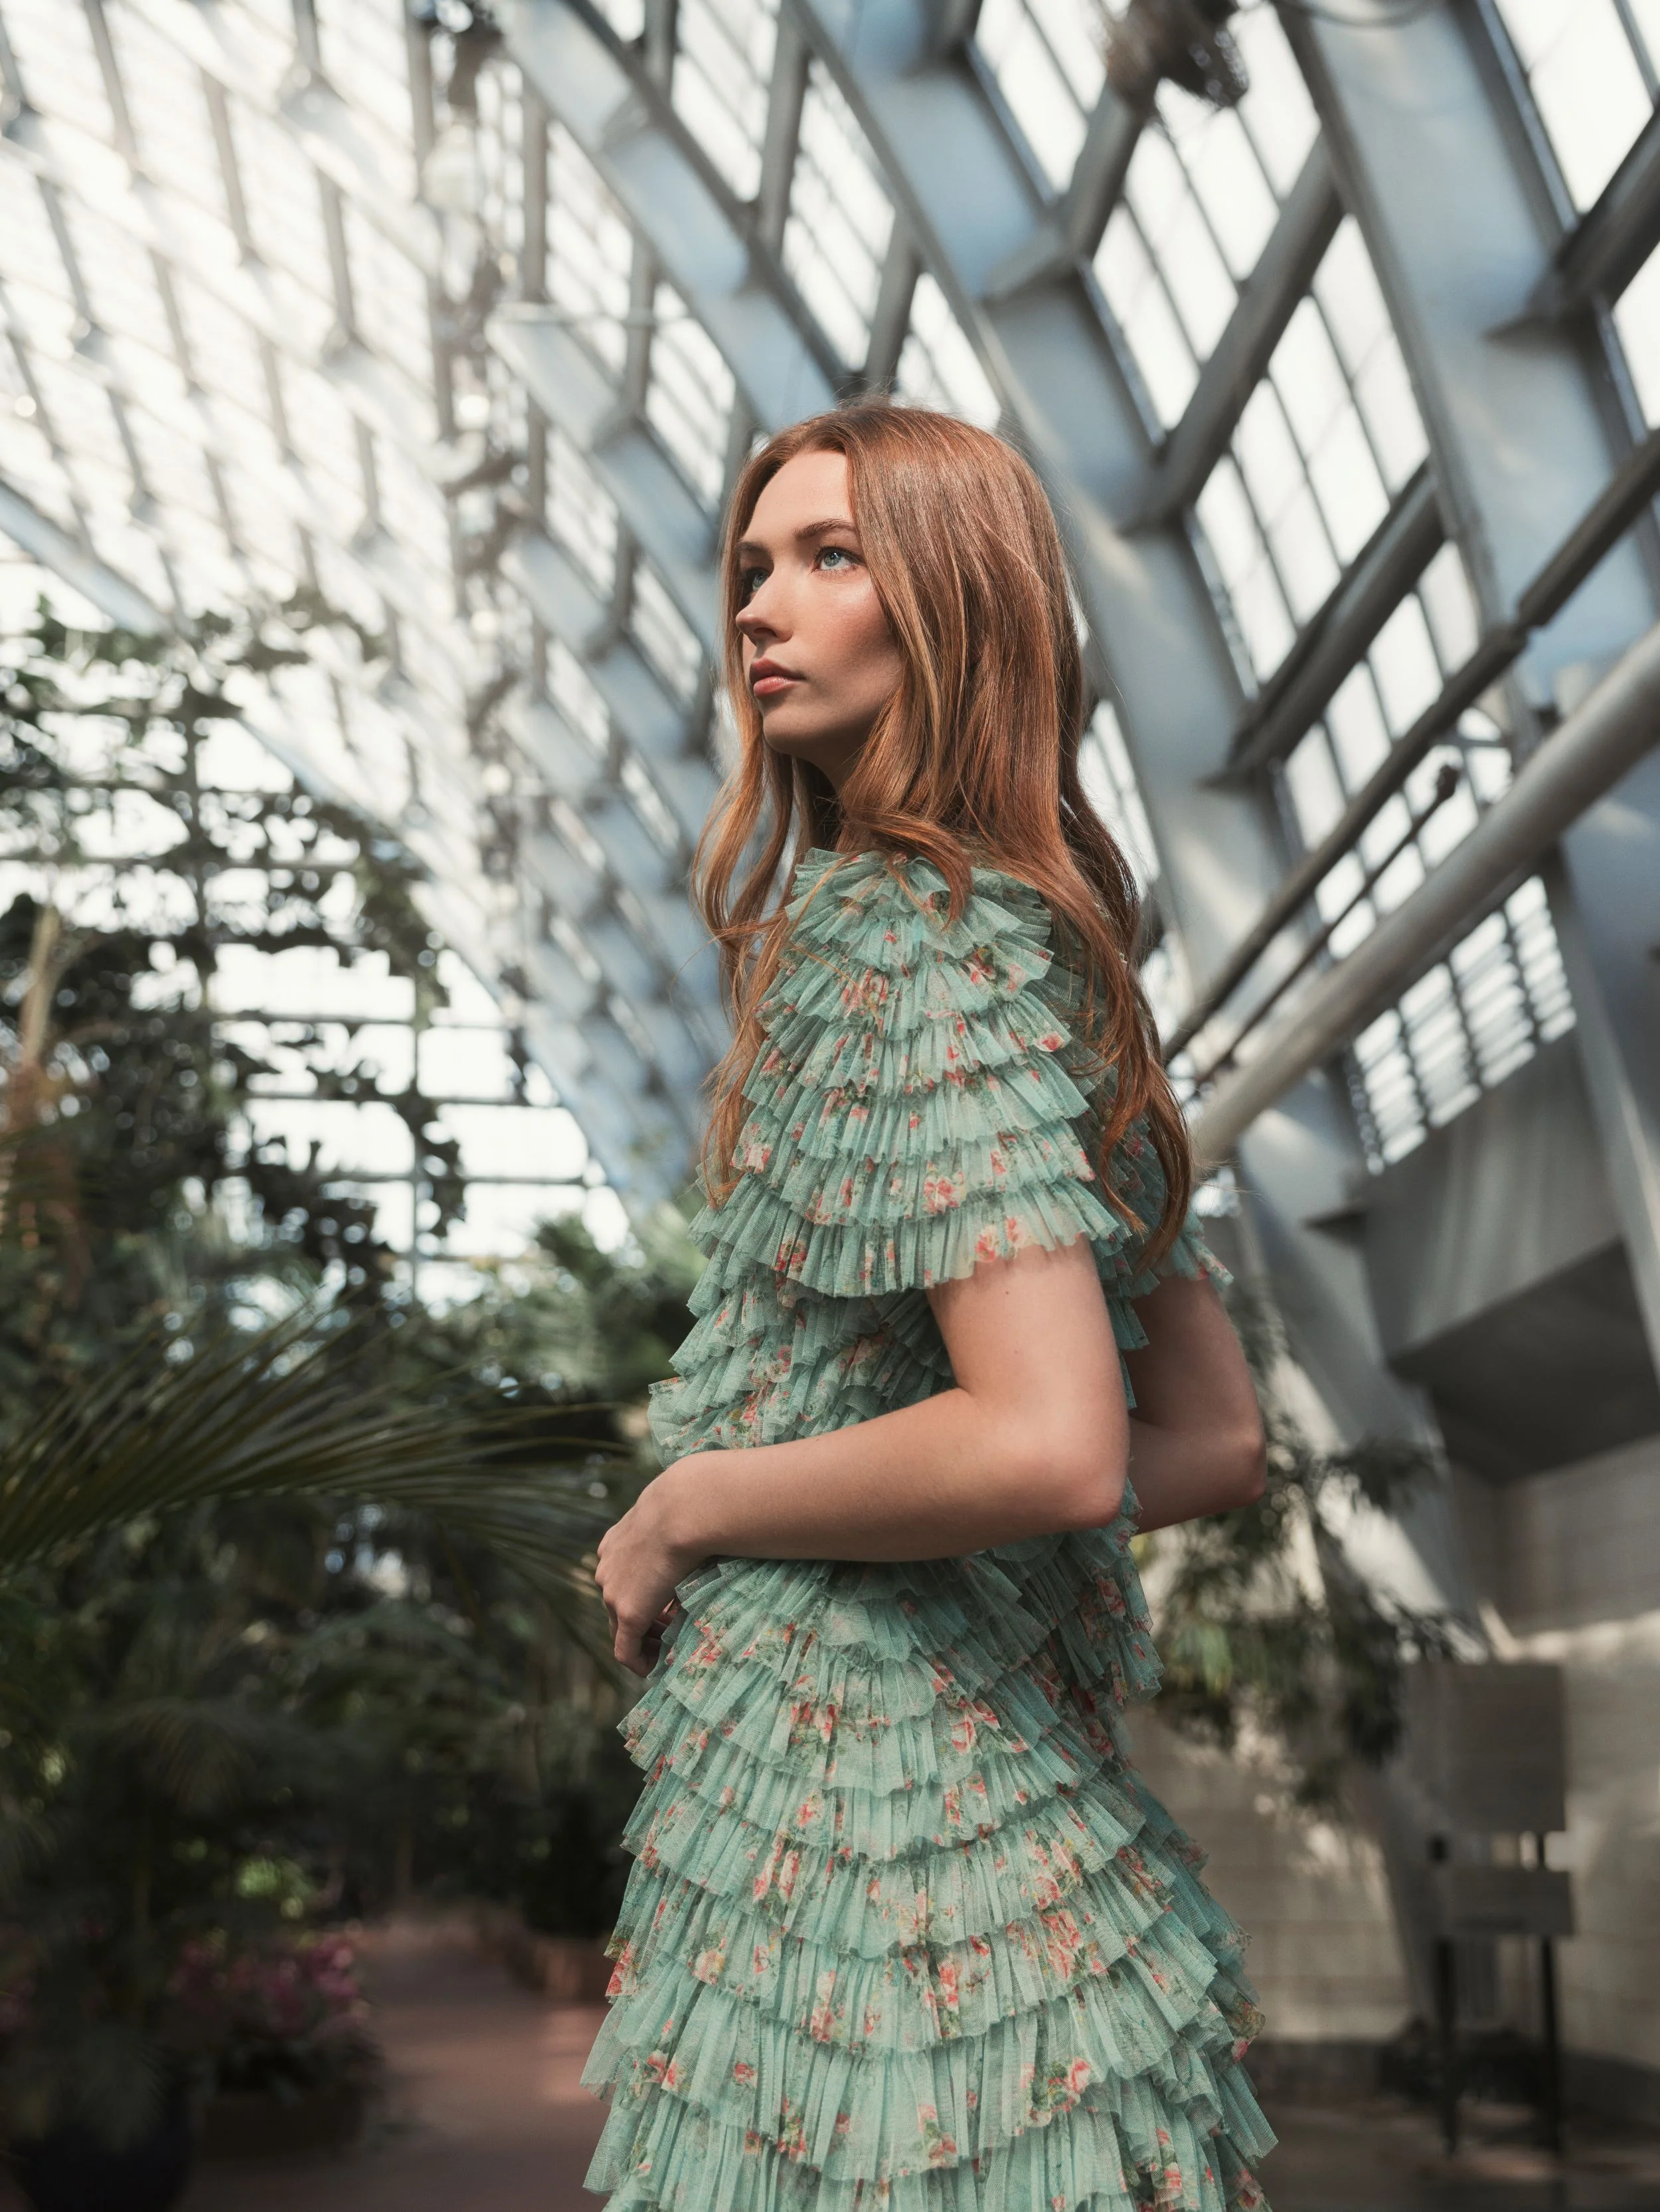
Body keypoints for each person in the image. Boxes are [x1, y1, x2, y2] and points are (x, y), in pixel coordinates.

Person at [585, 401, 1274, 2211]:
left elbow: (1052, 1446)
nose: (759, 609)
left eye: (830, 557)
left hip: (862, 1841)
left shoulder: (903, 932)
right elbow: (1208, 1436)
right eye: (749, 566)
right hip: (983, 1822)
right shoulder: (1036, 947)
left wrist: (687, 1504)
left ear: (954, 600)